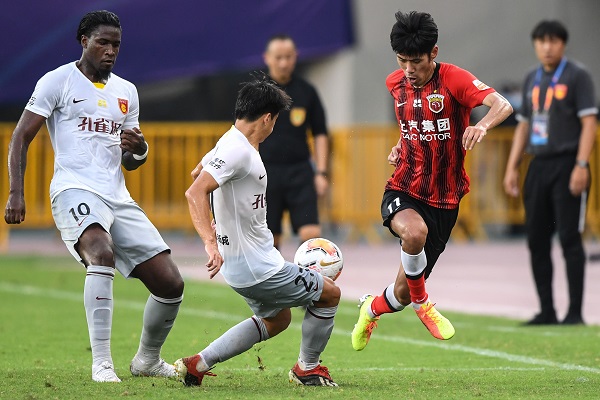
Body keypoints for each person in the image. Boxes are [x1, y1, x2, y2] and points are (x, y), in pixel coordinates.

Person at [3, 10, 184, 382]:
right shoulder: (57, 80)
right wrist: (16, 193)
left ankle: (147, 361)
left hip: (117, 196)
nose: (111, 50)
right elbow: (21, 136)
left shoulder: (126, 91)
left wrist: (141, 150)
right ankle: (102, 363)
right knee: (100, 253)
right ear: (84, 41)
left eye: (116, 44)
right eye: (103, 42)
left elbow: (130, 160)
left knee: (171, 284)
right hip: (73, 189)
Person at [351, 11, 513, 351]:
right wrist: (401, 145)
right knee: (413, 233)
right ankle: (424, 304)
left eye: (416, 61)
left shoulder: (455, 80)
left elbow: (503, 105)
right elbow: (411, 123)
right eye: (402, 60)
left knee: (400, 295)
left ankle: (370, 308)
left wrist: (482, 125)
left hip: (445, 199)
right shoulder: (394, 83)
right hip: (404, 187)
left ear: (433, 53)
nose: (409, 69)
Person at [173, 73, 341, 387]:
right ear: (266, 118)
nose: (274, 125)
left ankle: (198, 364)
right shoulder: (238, 151)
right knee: (330, 294)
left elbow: (198, 173)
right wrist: (210, 241)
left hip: (244, 264)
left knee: (278, 319)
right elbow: (195, 191)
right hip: (258, 266)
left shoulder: (229, 141)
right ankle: (307, 369)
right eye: (275, 119)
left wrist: (221, 218)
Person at [503, 20, 598, 325]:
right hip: (539, 164)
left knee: (569, 237)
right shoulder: (532, 78)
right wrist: (512, 167)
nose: (547, 47)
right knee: (536, 239)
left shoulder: (577, 76)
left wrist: (581, 165)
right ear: (535, 45)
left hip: (568, 162)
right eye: (541, 41)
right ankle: (547, 310)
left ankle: (574, 312)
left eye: (553, 41)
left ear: (563, 44)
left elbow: (589, 124)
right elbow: (524, 126)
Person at [260, 34, 330, 250]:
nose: (283, 63)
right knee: (270, 239)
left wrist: (321, 172)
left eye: (288, 57)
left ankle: (307, 273)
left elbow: (320, 133)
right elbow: (242, 133)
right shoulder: (257, 93)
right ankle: (275, 273)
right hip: (265, 172)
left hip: (300, 172)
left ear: (296, 57)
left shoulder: (307, 91)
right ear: (267, 58)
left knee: (311, 235)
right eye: (278, 57)